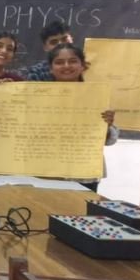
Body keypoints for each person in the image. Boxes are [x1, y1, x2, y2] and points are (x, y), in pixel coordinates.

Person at [42, 43, 117, 192]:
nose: (66, 66)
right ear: (50, 68)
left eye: (73, 61)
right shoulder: (36, 96)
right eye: (59, 62)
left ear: (82, 66)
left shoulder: (97, 96)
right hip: (45, 171)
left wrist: (107, 126)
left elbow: (109, 141)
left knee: (81, 207)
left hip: (83, 173)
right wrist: (3, 90)